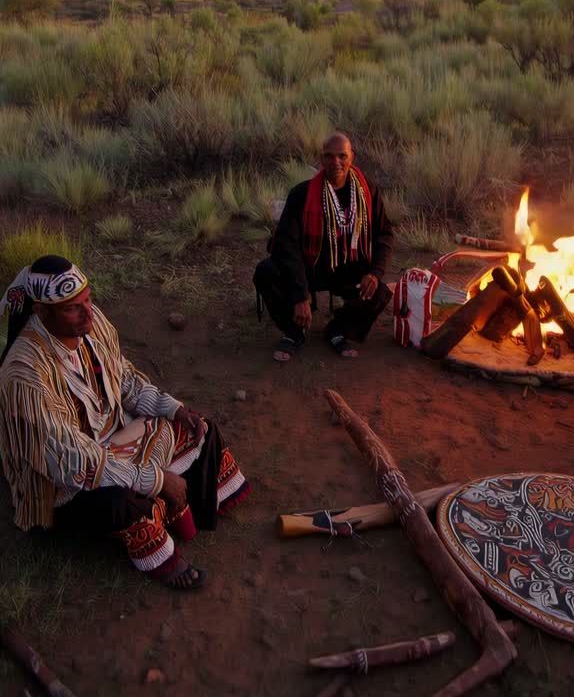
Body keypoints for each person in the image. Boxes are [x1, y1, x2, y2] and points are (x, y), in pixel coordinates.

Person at [0, 255, 250, 588]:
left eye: (88, 300)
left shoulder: (91, 324)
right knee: (116, 499)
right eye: (73, 308)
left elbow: (126, 382)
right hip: (62, 480)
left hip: (113, 440)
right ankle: (161, 547)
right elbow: (70, 461)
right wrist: (157, 479)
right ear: (42, 313)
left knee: (196, 428)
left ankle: (188, 504)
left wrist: (173, 409)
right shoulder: (24, 374)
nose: (88, 312)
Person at [254, 132, 393, 361]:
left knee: (378, 291)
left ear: (352, 157)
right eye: (329, 156)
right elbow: (286, 246)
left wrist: (375, 273)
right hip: (311, 266)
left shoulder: (368, 190)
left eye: (342, 156)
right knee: (266, 272)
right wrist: (300, 294)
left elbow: (384, 233)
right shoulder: (302, 194)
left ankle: (338, 329)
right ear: (321, 159)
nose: (335, 162)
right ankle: (294, 330)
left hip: (350, 267)